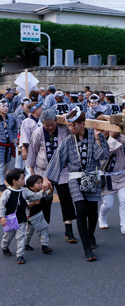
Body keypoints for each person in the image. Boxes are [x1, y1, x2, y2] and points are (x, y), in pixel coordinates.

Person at [43, 107, 109, 261]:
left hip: (92, 175)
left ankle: (90, 234)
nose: (71, 128)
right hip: (74, 178)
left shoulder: (94, 136)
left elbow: (103, 156)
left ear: (82, 123)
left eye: (74, 125)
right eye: (69, 125)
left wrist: (98, 138)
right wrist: (47, 178)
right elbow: (57, 159)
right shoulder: (68, 141)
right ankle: (86, 247)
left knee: (93, 211)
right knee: (81, 209)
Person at [28, 109, 78, 243]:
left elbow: (74, 133)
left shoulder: (63, 129)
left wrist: (66, 121)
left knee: (66, 198)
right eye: (47, 125)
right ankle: (43, 229)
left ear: (56, 121)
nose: (50, 127)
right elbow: (32, 151)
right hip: (43, 171)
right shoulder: (38, 132)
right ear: (42, 123)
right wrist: (32, 172)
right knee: (44, 201)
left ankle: (69, 230)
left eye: (52, 124)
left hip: (62, 170)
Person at [1, 169, 53, 264]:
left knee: (20, 237)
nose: (24, 180)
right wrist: (2, 217)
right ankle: (4, 247)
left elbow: (35, 196)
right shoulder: (7, 193)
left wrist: (43, 192)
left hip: (21, 219)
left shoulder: (24, 191)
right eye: (22, 179)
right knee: (8, 237)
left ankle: (20, 255)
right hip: (10, 220)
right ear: (14, 181)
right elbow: (2, 206)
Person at [97, 130, 125, 235]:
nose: (105, 131)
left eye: (107, 128)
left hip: (120, 175)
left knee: (124, 201)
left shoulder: (119, 138)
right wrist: (111, 137)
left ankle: (124, 226)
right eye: (102, 130)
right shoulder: (97, 142)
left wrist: (117, 129)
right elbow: (105, 155)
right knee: (108, 204)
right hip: (106, 177)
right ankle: (102, 216)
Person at [23, 174, 54, 254]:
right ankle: (25, 244)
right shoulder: (28, 195)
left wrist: (51, 190)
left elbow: (48, 197)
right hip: (31, 217)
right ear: (31, 186)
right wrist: (33, 203)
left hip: (40, 216)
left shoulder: (43, 192)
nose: (41, 184)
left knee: (44, 229)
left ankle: (45, 246)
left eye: (41, 182)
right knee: (29, 232)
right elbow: (26, 207)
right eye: (38, 183)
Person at [0, 98, 18, 185]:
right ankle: (1, 182)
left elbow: (15, 127)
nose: (5, 108)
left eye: (7, 106)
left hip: (8, 145)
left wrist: (14, 137)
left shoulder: (11, 118)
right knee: (1, 164)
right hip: (0, 144)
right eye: (3, 106)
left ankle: (2, 179)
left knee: (6, 163)